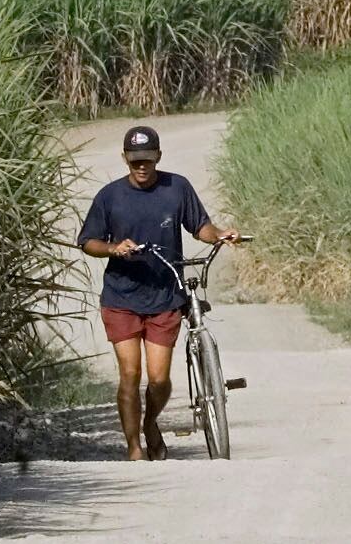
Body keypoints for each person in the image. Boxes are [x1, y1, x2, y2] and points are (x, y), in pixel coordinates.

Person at [78, 125, 244, 460]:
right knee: (130, 374)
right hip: (121, 298)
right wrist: (113, 249)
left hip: (165, 296)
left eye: (148, 160)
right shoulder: (110, 197)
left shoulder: (176, 187)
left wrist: (220, 234)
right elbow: (88, 242)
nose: (141, 166)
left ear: (158, 157)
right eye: (135, 160)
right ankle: (134, 448)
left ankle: (151, 422)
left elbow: (201, 227)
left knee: (158, 380)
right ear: (125, 158)